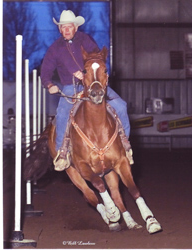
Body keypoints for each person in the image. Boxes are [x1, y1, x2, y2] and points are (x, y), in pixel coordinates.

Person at [41, 10, 133, 171]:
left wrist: (88, 72)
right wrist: (49, 85)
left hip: (93, 83)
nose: (67, 30)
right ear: (60, 29)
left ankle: (124, 145)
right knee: (62, 113)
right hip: (70, 87)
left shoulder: (85, 39)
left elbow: (97, 57)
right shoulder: (55, 48)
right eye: (63, 27)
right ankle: (62, 153)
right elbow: (45, 71)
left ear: (75, 27)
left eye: (69, 26)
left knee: (121, 105)